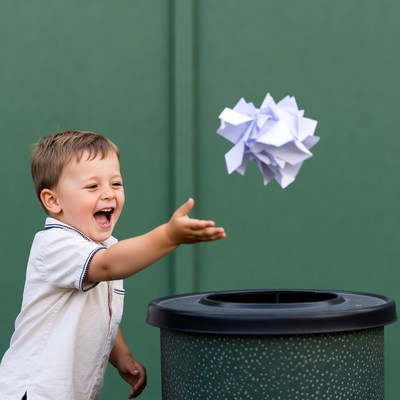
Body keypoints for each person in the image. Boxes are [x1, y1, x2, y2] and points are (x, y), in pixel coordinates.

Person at [0, 130, 226, 400]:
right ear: (53, 200)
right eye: (92, 187)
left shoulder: (105, 247)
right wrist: (168, 236)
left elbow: (101, 312)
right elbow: (108, 266)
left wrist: (122, 357)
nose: (108, 194)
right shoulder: (54, 245)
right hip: (33, 391)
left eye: (116, 184)